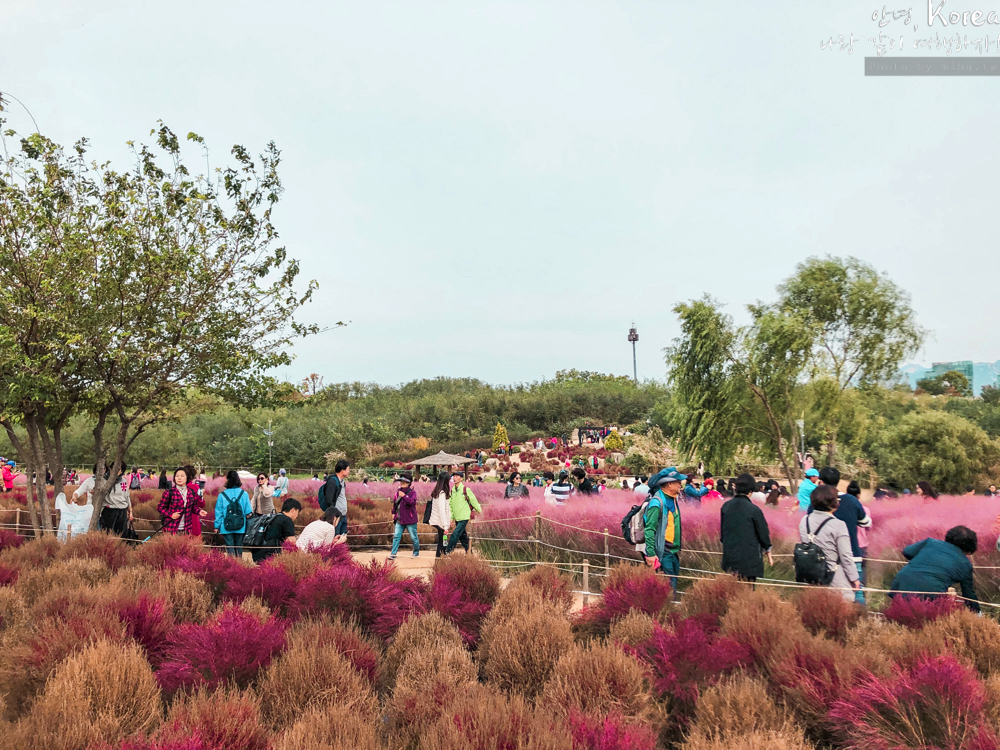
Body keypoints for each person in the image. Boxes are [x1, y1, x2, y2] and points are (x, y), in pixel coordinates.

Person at [811, 467, 871, 603]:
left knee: (823, 599)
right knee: (857, 594)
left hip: (822, 559)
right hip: (852, 555)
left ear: (821, 481)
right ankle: (861, 621)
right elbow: (866, 522)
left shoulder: (815, 503)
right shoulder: (852, 500)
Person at [889, 525, 980, 612]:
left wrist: (923, 560)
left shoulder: (930, 542)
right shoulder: (965, 564)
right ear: (970, 547)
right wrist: (977, 613)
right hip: (930, 594)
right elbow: (968, 595)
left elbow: (907, 551)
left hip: (901, 583)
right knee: (926, 619)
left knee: (899, 615)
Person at [798, 484, 860, 602]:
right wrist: (854, 578)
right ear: (832, 502)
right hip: (833, 576)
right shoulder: (838, 525)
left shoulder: (804, 520)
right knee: (840, 609)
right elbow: (845, 556)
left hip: (811, 575)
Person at [720, 473, 773, 582]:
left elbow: (722, 534)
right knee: (747, 591)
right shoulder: (754, 510)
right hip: (749, 560)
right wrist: (768, 550)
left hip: (730, 557)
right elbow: (763, 533)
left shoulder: (725, 507)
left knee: (732, 591)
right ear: (750, 491)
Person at [642, 467, 686, 595]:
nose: (680, 484)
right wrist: (650, 553)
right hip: (664, 553)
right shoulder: (657, 503)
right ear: (669, 484)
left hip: (673, 552)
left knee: (673, 585)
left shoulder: (673, 499)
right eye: (678, 482)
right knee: (668, 589)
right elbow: (649, 529)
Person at [214, 470, 253, 557]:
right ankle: (239, 564)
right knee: (239, 546)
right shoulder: (244, 494)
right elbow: (248, 512)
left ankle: (232, 564)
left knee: (230, 546)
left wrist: (217, 526)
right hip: (240, 525)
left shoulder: (222, 495)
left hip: (226, 526)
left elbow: (218, 512)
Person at [156, 467, 201, 535]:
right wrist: (171, 514)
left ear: (187, 478)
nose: (179, 478)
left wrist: (199, 511)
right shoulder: (169, 492)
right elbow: (160, 508)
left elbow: (193, 507)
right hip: (171, 528)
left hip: (186, 529)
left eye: (182, 476)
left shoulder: (191, 492)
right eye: (177, 476)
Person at [445, 473, 481, 555]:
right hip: (457, 517)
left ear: (461, 479)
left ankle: (448, 551)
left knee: (455, 533)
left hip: (464, 516)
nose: (455, 478)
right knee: (462, 536)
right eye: (453, 476)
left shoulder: (465, 489)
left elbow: (474, 501)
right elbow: (451, 505)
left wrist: (481, 512)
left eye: (457, 476)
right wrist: (451, 517)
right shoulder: (452, 490)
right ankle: (469, 552)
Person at [390, 472, 419, 560]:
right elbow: (395, 504)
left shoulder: (412, 492)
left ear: (409, 483)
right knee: (396, 536)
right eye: (401, 481)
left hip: (410, 519)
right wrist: (393, 512)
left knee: (413, 537)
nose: (402, 483)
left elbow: (412, 502)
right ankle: (393, 553)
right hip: (399, 519)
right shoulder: (397, 492)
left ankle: (416, 552)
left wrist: (405, 496)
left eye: (404, 482)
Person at [321, 459, 350, 542]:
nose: (349, 471)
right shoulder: (332, 482)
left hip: (343, 515)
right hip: (336, 517)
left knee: (342, 540)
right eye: (348, 469)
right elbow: (329, 499)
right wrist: (334, 515)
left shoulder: (342, 481)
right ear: (342, 470)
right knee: (335, 540)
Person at [426, 471, 452, 558]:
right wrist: (445, 526)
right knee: (442, 544)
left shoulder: (437, 492)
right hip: (440, 523)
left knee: (443, 543)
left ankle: (440, 561)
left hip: (437, 521)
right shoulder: (442, 493)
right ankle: (439, 562)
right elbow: (442, 510)